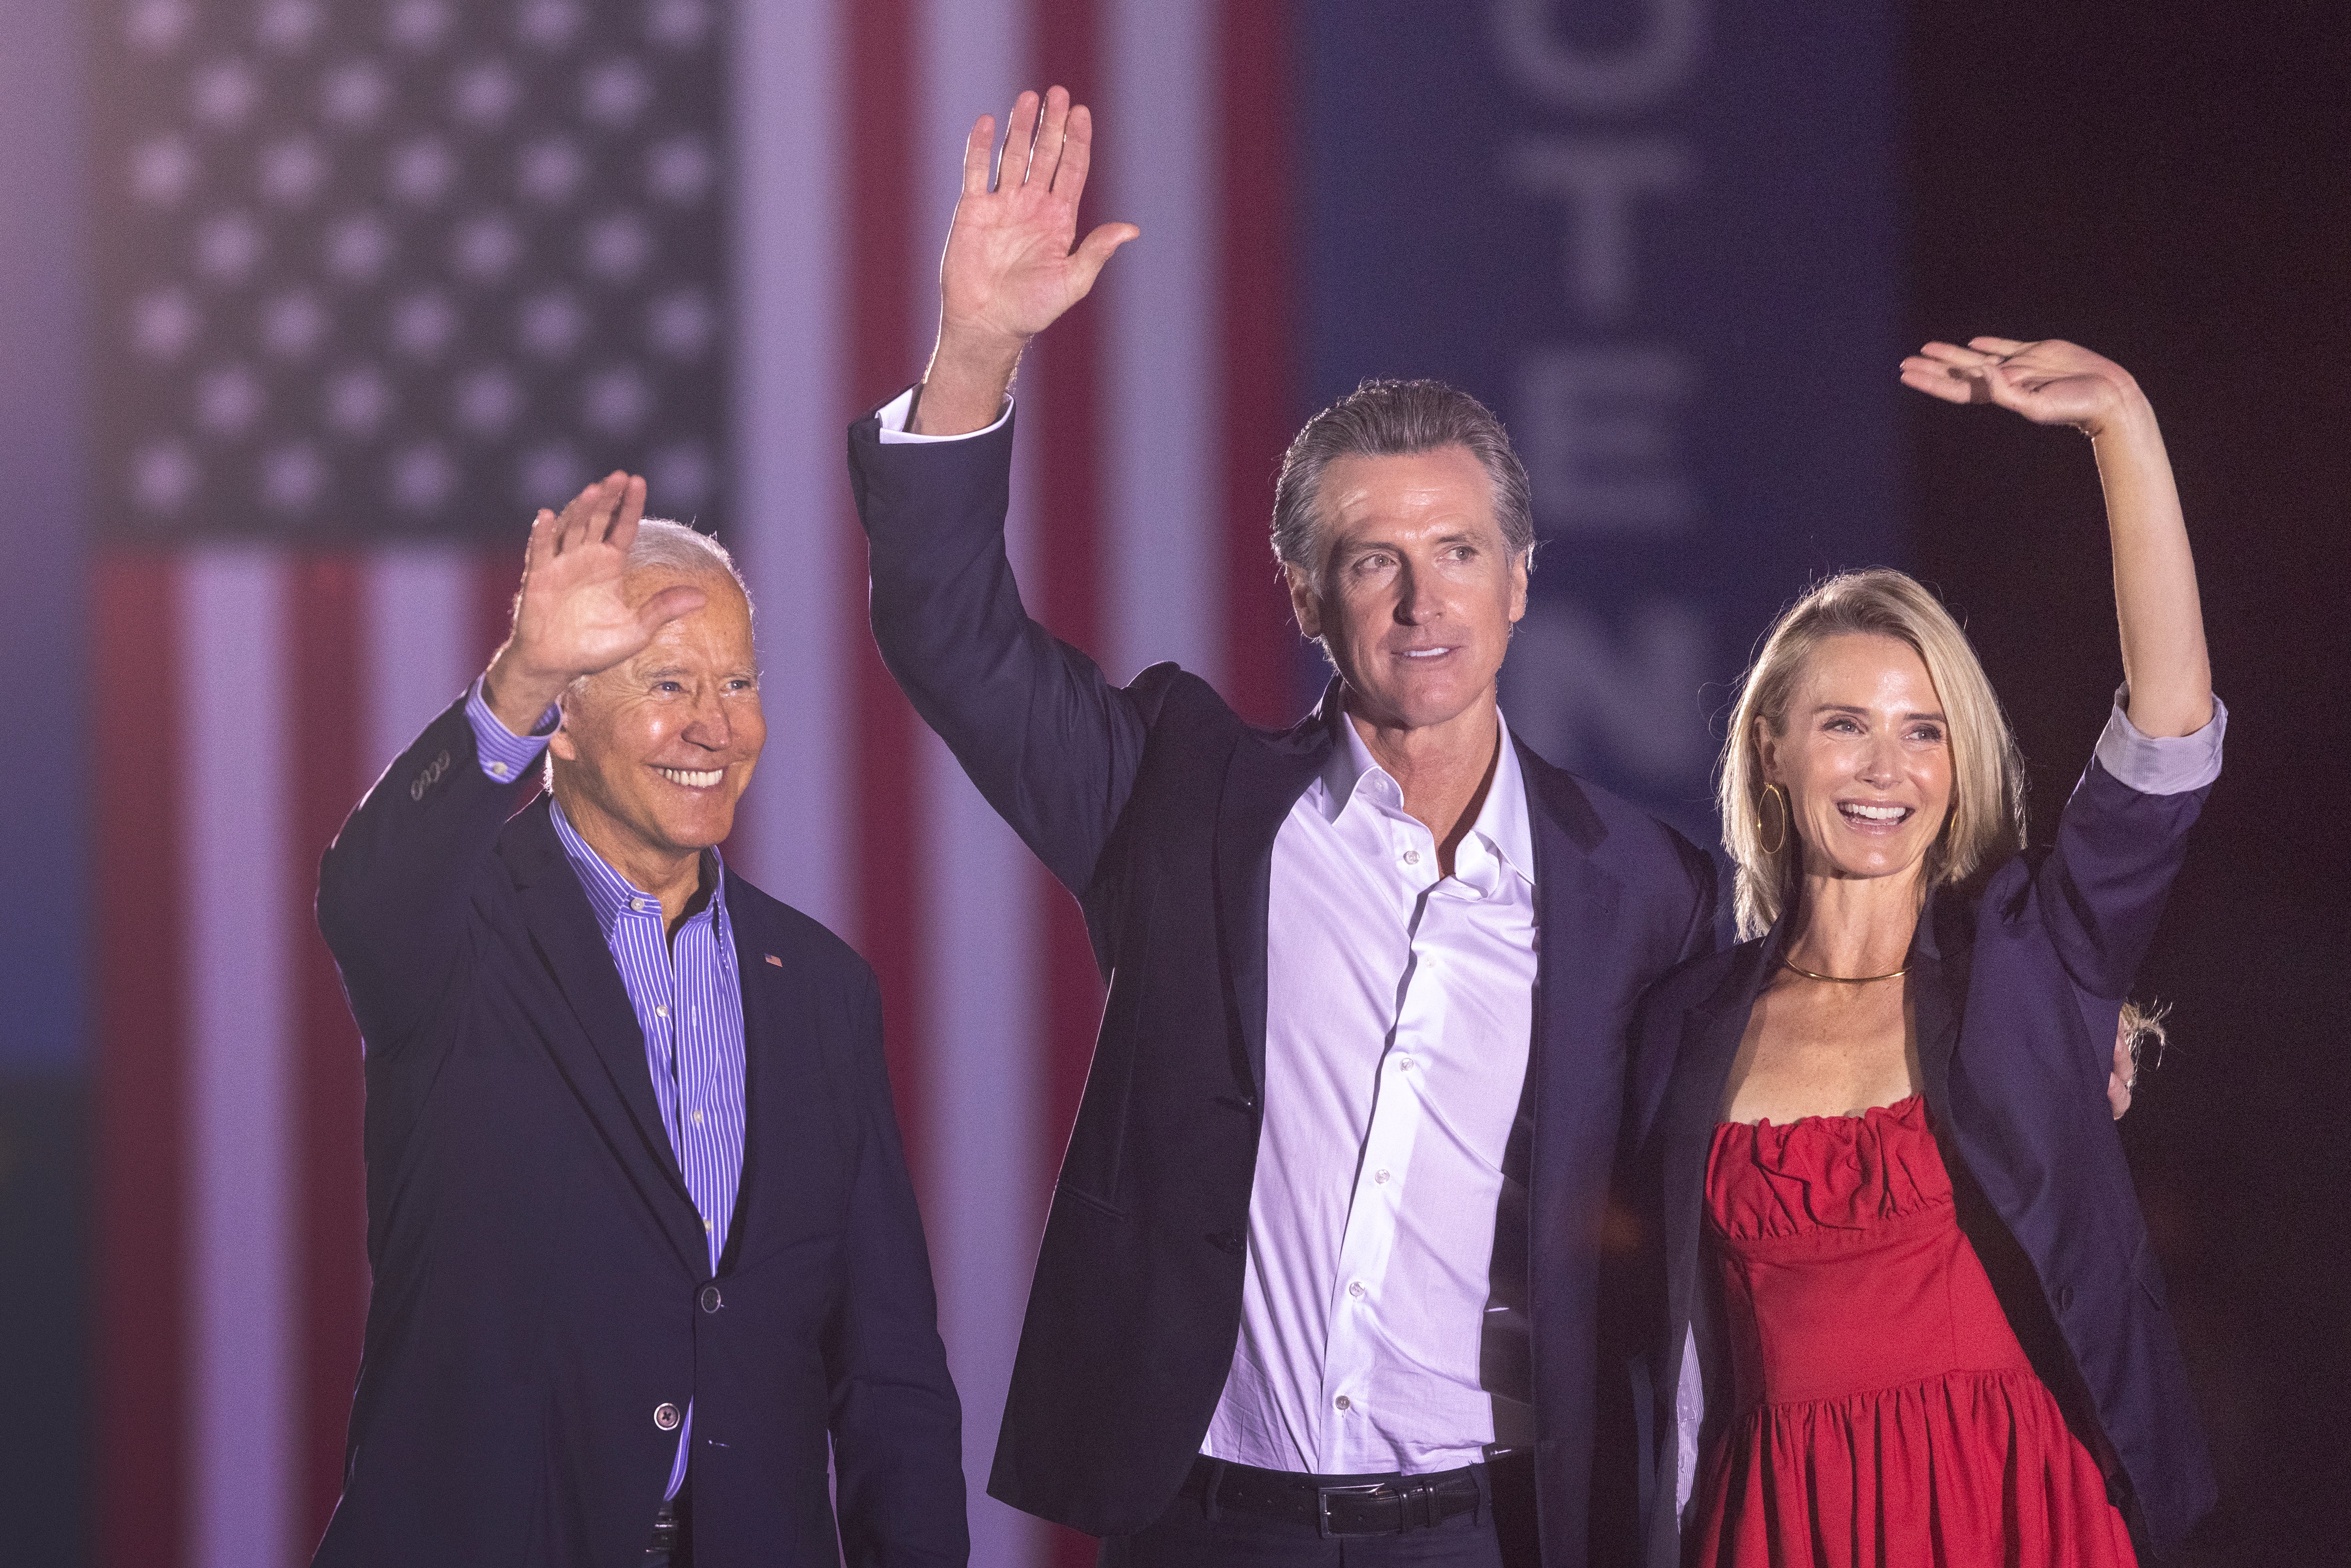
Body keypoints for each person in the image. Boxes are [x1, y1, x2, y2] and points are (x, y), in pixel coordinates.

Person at [849, 87, 1715, 1567]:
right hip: (1207, 1528)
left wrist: (2043, 1046)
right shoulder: (1177, 799)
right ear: (1307, 599)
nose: (1421, 600)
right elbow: (951, 635)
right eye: (1372, 561)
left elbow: (1821, 1049)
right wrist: (978, 348)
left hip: (1492, 1533)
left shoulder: (1647, 889)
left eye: (1458, 554)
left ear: (1520, 582)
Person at [1620, 339, 2221, 1566]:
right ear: (1774, 755)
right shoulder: (1688, 1018)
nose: (1887, 769)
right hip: (1782, 1526)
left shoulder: (2027, 966)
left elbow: (2167, 744)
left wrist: (2124, 426)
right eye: (1846, 726)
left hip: (2021, 1514)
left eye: (1923, 732)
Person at [311, 476, 966, 1567]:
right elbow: (364, 897)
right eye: (670, 682)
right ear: (565, 722)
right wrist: (522, 678)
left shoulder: (820, 989)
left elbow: (886, 1369)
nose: (715, 725)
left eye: (739, 681)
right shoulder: (458, 934)